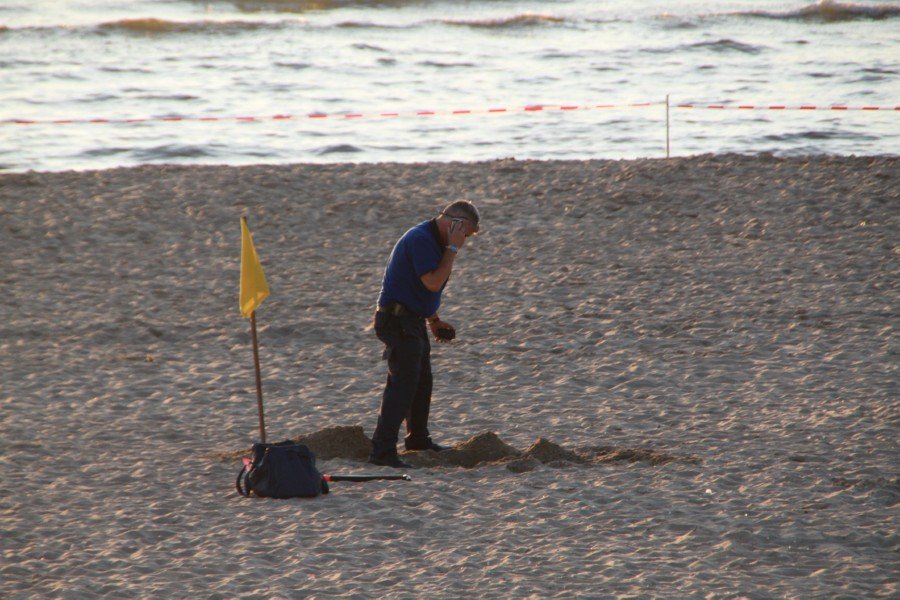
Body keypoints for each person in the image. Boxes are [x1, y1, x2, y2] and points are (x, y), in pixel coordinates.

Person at [369, 200, 481, 468]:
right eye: (467, 233)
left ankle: (417, 439)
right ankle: (382, 451)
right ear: (455, 223)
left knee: (422, 383)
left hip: (413, 320)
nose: (466, 239)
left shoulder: (434, 241)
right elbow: (432, 282)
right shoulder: (421, 238)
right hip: (396, 319)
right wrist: (452, 249)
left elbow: (423, 289)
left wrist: (434, 320)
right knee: (402, 386)